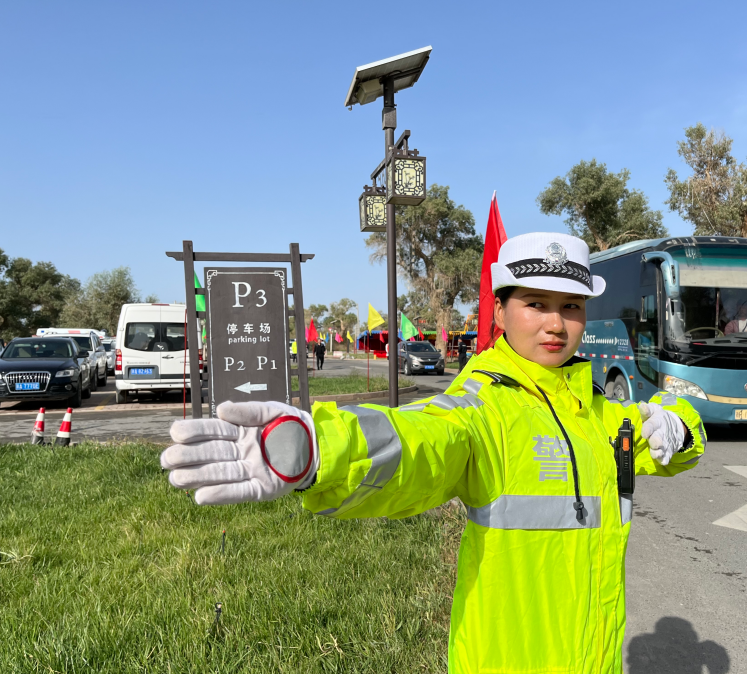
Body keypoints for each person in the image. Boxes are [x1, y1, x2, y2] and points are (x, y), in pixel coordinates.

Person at [160, 232, 706, 674]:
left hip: (597, 656)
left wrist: (678, 427)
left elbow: (669, 439)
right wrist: (319, 449)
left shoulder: (597, 411)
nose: (555, 324)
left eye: (571, 306)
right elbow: (418, 442)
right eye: (535, 304)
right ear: (500, 311)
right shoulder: (478, 408)